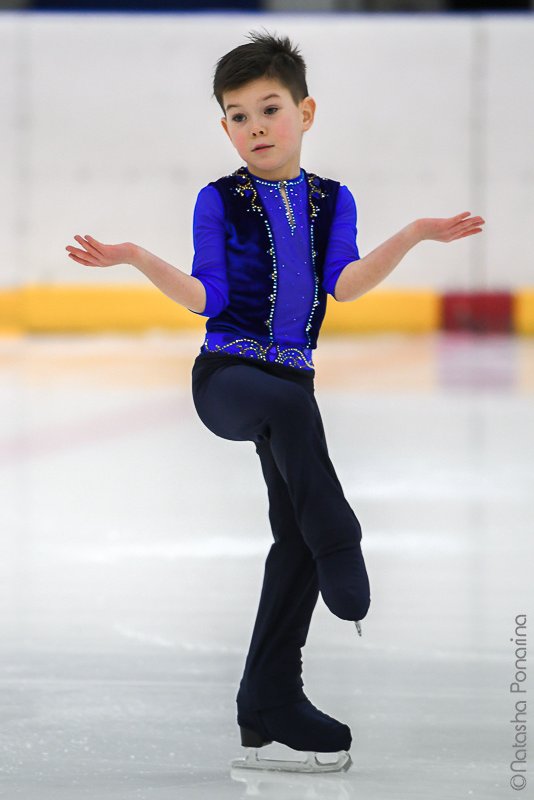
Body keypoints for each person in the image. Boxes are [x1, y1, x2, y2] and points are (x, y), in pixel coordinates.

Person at [66, 32, 484, 771]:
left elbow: (345, 286)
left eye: (269, 109)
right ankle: (343, 542)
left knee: (291, 538)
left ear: (305, 111)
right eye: (236, 116)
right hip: (226, 380)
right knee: (295, 428)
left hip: (294, 377)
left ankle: (267, 703)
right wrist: (134, 257)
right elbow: (207, 297)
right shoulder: (218, 201)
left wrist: (416, 233)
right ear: (223, 127)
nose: (255, 127)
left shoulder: (332, 201)